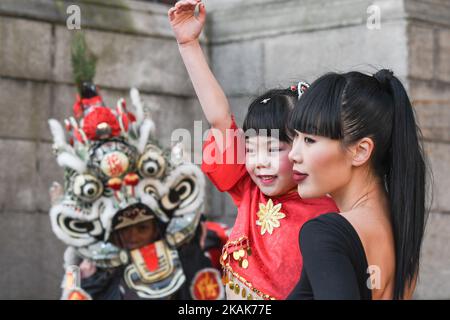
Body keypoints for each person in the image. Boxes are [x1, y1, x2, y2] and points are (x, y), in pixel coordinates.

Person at [168, 0, 338, 300]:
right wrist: (188, 43)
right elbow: (220, 118)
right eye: (251, 149)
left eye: (272, 149)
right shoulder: (249, 190)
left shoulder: (333, 210)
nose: (259, 163)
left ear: (304, 145)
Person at [287, 69, 429, 299]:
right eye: (295, 137)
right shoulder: (402, 240)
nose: (293, 154)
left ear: (360, 151)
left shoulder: (326, 234)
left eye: (309, 140)